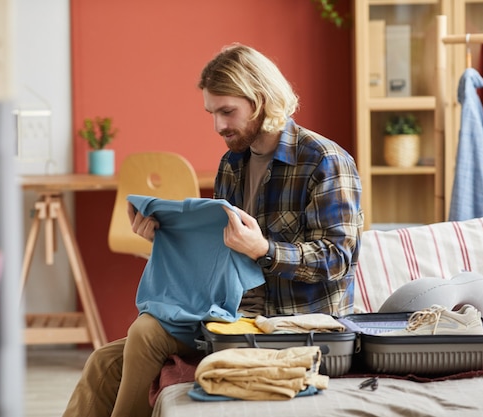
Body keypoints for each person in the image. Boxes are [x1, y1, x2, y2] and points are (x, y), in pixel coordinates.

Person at [62, 43, 363, 417]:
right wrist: (169, 239)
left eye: (227, 111)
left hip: (287, 326)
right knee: (102, 363)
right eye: (212, 112)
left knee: (144, 332)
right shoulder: (232, 165)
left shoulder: (324, 161)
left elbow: (339, 260)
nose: (218, 126)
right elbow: (220, 256)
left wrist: (264, 250)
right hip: (226, 317)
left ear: (262, 100)